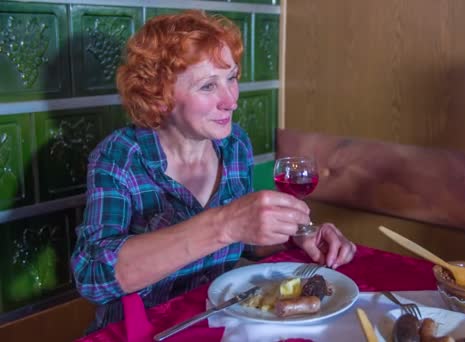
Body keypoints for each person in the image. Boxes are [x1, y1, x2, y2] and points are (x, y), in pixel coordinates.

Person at [70, 10, 356, 332]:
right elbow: (93, 275)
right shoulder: (119, 156)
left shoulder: (234, 144)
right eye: (208, 86)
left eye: (231, 78)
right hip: (143, 331)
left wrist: (299, 234)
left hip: (214, 320)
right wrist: (224, 224)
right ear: (158, 97)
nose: (231, 100)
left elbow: (246, 242)